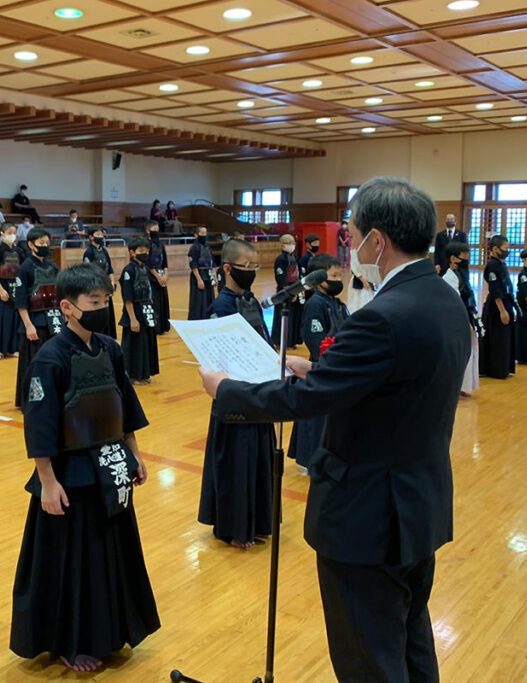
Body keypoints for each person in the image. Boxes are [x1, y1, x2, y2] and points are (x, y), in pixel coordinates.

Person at [199, 177, 471, 683]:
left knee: (368, 658)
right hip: (419, 503)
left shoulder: (383, 316)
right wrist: (318, 370)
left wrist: (227, 391)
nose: (347, 246)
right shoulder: (441, 298)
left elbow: (303, 402)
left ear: (377, 241)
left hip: (368, 515)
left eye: (350, 234)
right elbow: (394, 384)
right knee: (411, 644)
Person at [9, 263, 159, 673]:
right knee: (73, 561)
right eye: (94, 302)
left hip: (109, 468)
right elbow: (39, 427)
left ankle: (109, 632)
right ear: (68, 307)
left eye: (105, 301)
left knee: (109, 555)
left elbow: (124, 408)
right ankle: (69, 643)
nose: (102, 308)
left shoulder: (110, 348)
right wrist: (47, 482)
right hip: (70, 475)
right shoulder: (50, 360)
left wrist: (135, 455)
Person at [197, 237, 275, 550]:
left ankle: (256, 522)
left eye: (255, 267)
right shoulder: (220, 307)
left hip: (258, 394)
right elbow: (216, 358)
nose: (252, 273)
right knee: (235, 463)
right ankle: (233, 528)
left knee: (258, 459)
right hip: (233, 398)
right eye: (246, 267)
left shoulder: (251, 301)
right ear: (228, 268)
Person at [288, 253, 348, 469]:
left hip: (337, 366)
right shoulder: (315, 304)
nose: (338, 280)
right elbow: (315, 339)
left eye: (340, 275)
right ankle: (309, 460)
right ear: (320, 279)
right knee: (314, 421)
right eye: (334, 275)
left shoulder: (337, 303)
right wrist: (327, 360)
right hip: (320, 367)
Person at [14, 229, 62, 408]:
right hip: (36, 323)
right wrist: (28, 326)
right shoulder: (25, 269)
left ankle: (52, 396)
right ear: (31, 245)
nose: (45, 246)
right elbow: (21, 302)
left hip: (55, 322)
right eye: (41, 243)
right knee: (33, 364)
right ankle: (31, 401)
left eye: (47, 243)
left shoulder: (53, 267)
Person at [119, 236, 159, 385]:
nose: (145, 253)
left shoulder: (144, 268)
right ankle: (133, 375)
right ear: (132, 252)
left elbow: (148, 288)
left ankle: (144, 373)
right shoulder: (128, 270)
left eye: (146, 250)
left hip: (146, 309)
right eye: (141, 250)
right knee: (135, 345)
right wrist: (132, 319)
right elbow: (127, 298)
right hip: (134, 310)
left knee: (146, 343)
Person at [442, 242, 481, 395]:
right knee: (461, 352)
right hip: (457, 321)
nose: (467, 259)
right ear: (453, 258)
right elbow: (455, 304)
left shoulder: (463, 275)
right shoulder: (448, 278)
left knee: (471, 350)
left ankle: (466, 385)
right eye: (464, 257)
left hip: (467, 315)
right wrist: (466, 323)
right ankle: (457, 385)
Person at [479, 234, 516, 380]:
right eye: (505, 248)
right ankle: (494, 369)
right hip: (496, 306)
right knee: (497, 339)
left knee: (504, 338)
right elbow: (495, 289)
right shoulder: (492, 266)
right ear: (495, 249)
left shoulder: (501, 264)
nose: (507, 251)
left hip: (506, 302)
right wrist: (502, 311)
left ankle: (504, 367)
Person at [0, 225, 22, 360]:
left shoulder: (19, 250)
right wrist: (1, 290)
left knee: (13, 320)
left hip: (15, 289)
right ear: (2, 233)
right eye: (9, 232)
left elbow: (22, 270)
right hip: (0, 289)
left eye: (14, 233)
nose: (12, 235)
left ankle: (11, 349)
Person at [82, 227, 117, 340]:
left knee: (108, 310)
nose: (101, 236)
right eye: (98, 234)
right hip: (96, 287)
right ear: (91, 237)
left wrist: (112, 282)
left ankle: (109, 335)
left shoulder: (104, 251)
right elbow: (87, 272)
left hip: (106, 286)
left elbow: (109, 268)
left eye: (102, 234)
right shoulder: (89, 253)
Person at [270, 234, 304, 349]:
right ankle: (280, 342)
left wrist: (297, 290)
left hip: (295, 290)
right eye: (289, 242)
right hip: (285, 292)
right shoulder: (280, 259)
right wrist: (289, 292)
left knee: (294, 317)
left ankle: (292, 341)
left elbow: (297, 274)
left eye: (293, 242)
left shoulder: (294, 257)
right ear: (282, 245)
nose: (292, 245)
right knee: (283, 317)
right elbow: (280, 277)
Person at [145, 221, 170, 335]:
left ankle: (163, 326)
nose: (157, 231)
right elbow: (149, 263)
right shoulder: (146, 244)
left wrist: (165, 275)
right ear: (148, 231)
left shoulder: (161, 245)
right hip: (151, 276)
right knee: (154, 301)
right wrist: (158, 277)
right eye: (154, 229)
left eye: (157, 229)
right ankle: (154, 326)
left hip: (161, 275)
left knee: (162, 301)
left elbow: (165, 263)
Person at [187, 226, 217, 320]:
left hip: (208, 275)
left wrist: (214, 276)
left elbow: (212, 264)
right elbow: (193, 265)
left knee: (209, 297)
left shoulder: (208, 248)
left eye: (205, 233)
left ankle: (208, 317)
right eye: (202, 234)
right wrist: (199, 279)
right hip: (199, 276)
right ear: (196, 235)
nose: (204, 235)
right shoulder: (194, 248)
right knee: (199, 300)